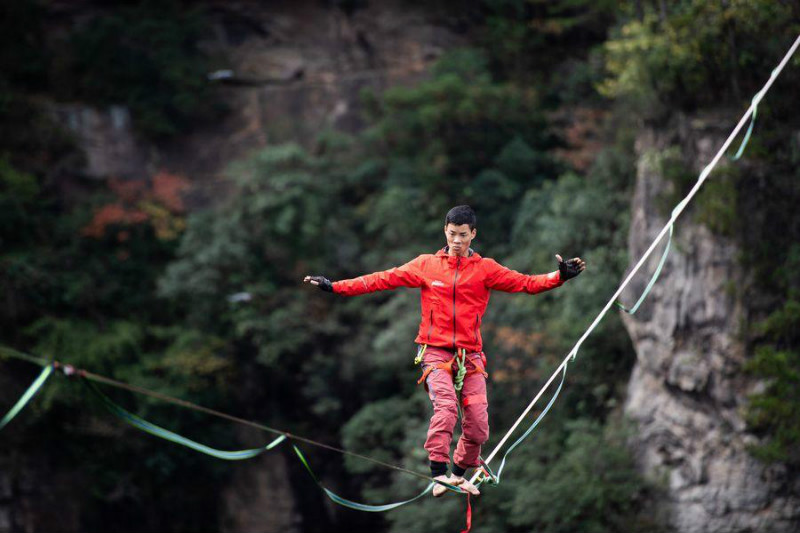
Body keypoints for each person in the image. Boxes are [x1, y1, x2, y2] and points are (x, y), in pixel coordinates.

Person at [303, 205, 585, 497]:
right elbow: (380, 279)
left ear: (473, 234)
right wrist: (334, 287)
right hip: (435, 352)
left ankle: (458, 474)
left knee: (478, 426)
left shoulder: (486, 269)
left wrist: (559, 276)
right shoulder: (426, 265)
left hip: (470, 356)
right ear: (445, 231)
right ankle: (438, 472)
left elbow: (526, 283)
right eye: (452, 234)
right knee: (447, 407)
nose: (457, 241)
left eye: (463, 235)